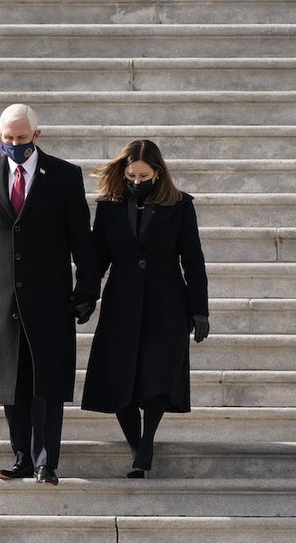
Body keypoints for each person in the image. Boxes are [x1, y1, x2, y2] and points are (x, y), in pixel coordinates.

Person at [0, 103, 99, 486]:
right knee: (10, 382)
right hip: (1, 301)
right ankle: (21, 456)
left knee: (46, 383)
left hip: (50, 300)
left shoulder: (65, 177)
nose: (14, 145)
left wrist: (87, 289)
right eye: (7, 139)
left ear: (37, 135)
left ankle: (46, 462)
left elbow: (81, 241)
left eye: (21, 138)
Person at [81, 139, 210, 478]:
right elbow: (98, 259)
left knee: (157, 376)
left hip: (166, 303)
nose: (136, 181)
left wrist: (200, 310)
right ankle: (138, 446)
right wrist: (85, 296)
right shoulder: (108, 207)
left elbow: (193, 260)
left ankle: (147, 444)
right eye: (131, 175)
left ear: (157, 173)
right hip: (121, 302)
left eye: (143, 175)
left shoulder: (180, 206)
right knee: (119, 376)